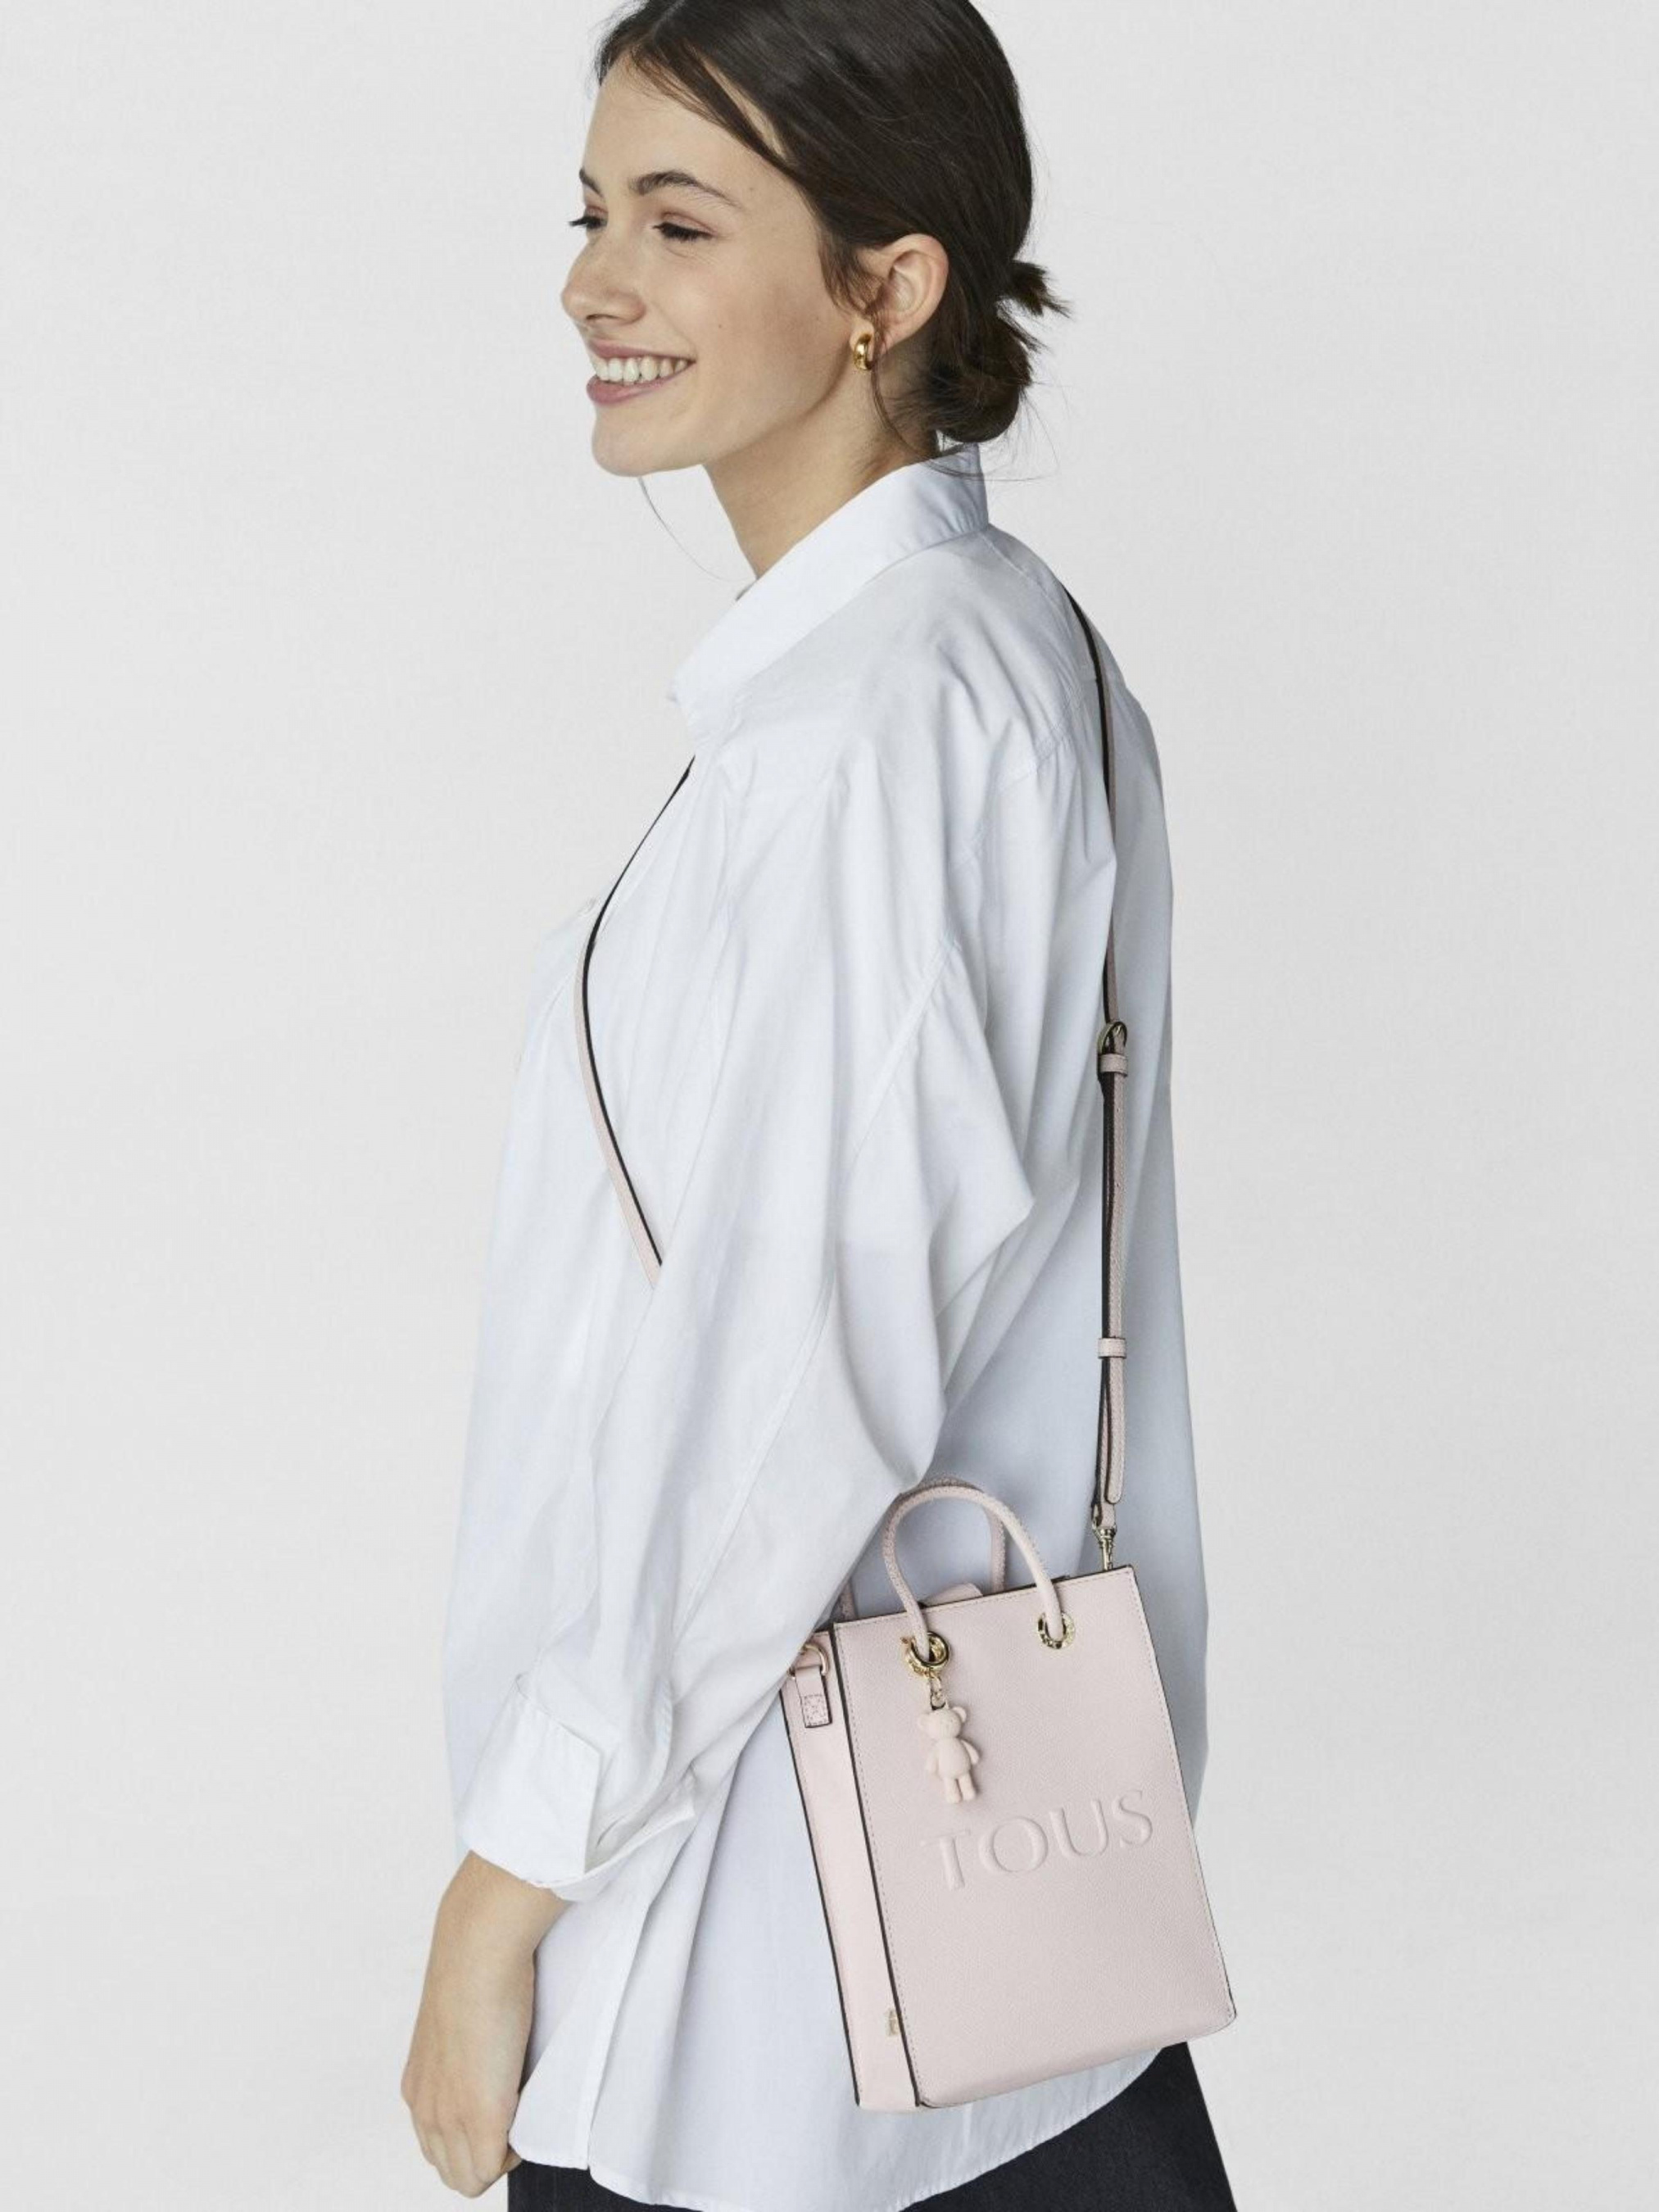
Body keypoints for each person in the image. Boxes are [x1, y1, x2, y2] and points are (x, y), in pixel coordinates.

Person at [401, 2, 1236, 2206]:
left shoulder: (872, 735)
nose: (596, 284)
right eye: (592, 213)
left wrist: (514, 1870)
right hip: (975, 1936)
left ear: (888, 285)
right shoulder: (999, 652)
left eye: (680, 224)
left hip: (780, 1966)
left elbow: (798, 1371)